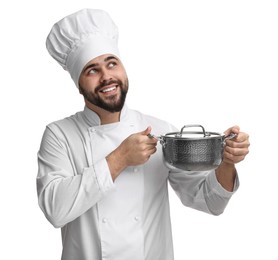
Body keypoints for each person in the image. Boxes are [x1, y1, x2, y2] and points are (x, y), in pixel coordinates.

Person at [37, 8, 250, 260]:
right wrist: (120, 158)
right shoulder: (60, 135)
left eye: (112, 63)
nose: (107, 77)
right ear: (79, 83)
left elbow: (210, 202)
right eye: (92, 70)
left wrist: (225, 162)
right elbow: (55, 210)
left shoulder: (159, 130)